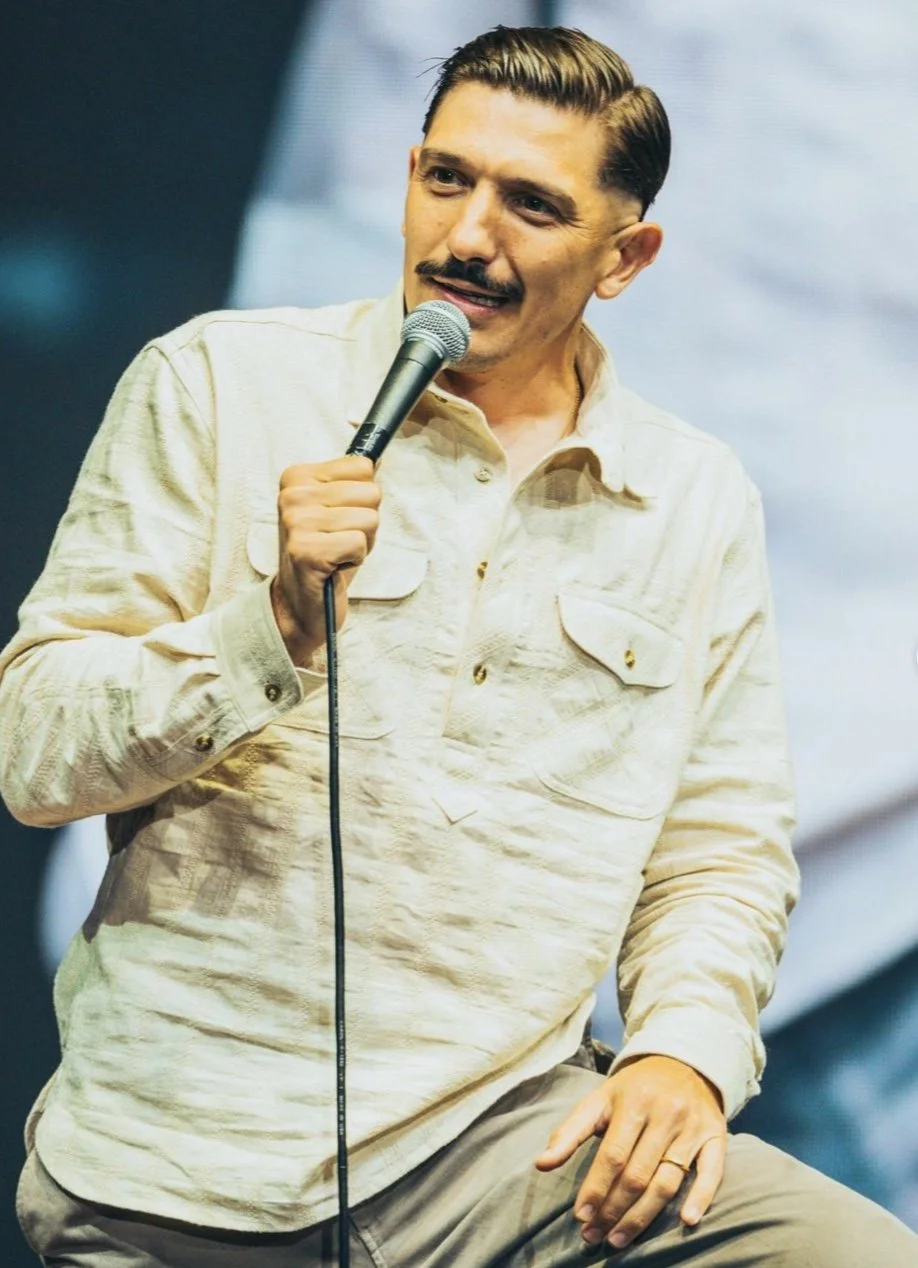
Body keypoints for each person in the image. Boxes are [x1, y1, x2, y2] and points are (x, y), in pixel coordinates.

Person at [1, 24, 914, 1266]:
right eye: (446, 179)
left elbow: (720, 846)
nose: (468, 239)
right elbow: (36, 750)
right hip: (187, 1153)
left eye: (532, 205)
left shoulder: (692, 494)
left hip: (506, 1145)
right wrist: (263, 629)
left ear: (626, 255)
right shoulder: (216, 382)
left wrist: (680, 1053)